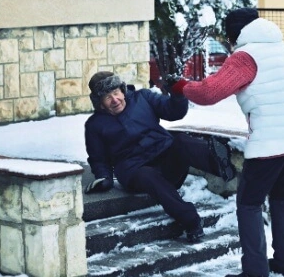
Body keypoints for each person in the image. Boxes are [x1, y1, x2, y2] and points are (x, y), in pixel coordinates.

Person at [169, 8, 284, 277]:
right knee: (282, 198)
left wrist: (180, 86)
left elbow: (210, 92)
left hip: (270, 143)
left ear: (235, 34)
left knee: (248, 203)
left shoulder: (245, 57)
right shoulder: (280, 48)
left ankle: (255, 275)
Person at [84, 71, 236, 243]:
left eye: (116, 92)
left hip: (166, 160)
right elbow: (98, 159)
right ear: (100, 103)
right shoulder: (95, 126)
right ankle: (190, 220)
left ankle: (220, 165)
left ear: (122, 90)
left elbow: (173, 112)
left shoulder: (143, 97)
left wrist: (178, 95)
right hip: (136, 171)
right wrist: (103, 178)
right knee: (148, 175)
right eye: (107, 97)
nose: (115, 99)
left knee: (180, 141)